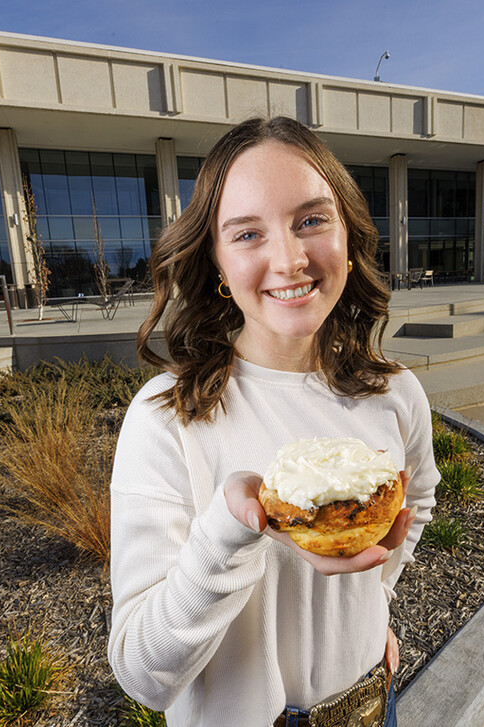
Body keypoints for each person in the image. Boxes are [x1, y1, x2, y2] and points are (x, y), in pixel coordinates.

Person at [108, 116, 439, 726]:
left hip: (370, 707)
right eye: (247, 234)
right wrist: (228, 534)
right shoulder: (167, 418)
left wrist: (375, 603)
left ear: (347, 232)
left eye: (311, 220)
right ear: (215, 264)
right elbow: (141, 671)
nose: (288, 259)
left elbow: (416, 497)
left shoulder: (395, 392)